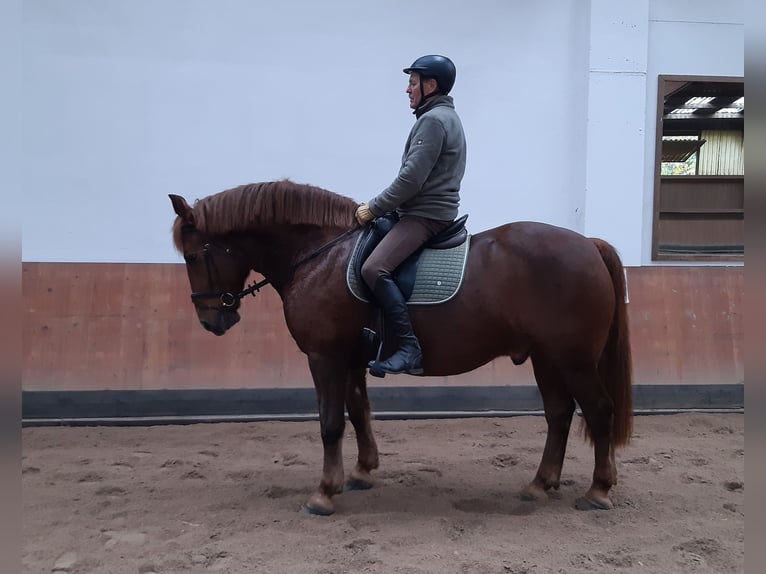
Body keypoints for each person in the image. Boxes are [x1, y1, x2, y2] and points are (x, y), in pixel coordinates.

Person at [355, 54, 467, 376]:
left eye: (413, 82)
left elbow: (410, 180)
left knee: (374, 268)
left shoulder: (433, 121)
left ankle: (408, 348)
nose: (408, 89)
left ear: (431, 85)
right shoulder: (445, 116)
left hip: (425, 216)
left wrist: (373, 207)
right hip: (427, 211)